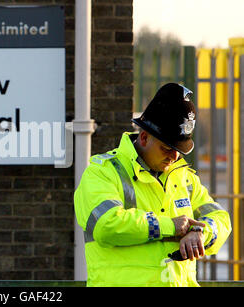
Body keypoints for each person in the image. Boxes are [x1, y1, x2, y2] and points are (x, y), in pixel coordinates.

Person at [74, 83, 231, 287]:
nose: (174, 157)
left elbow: (221, 218)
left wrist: (200, 233)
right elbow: (107, 226)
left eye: (180, 150)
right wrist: (170, 226)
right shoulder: (103, 172)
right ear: (144, 137)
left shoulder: (184, 177)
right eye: (167, 148)